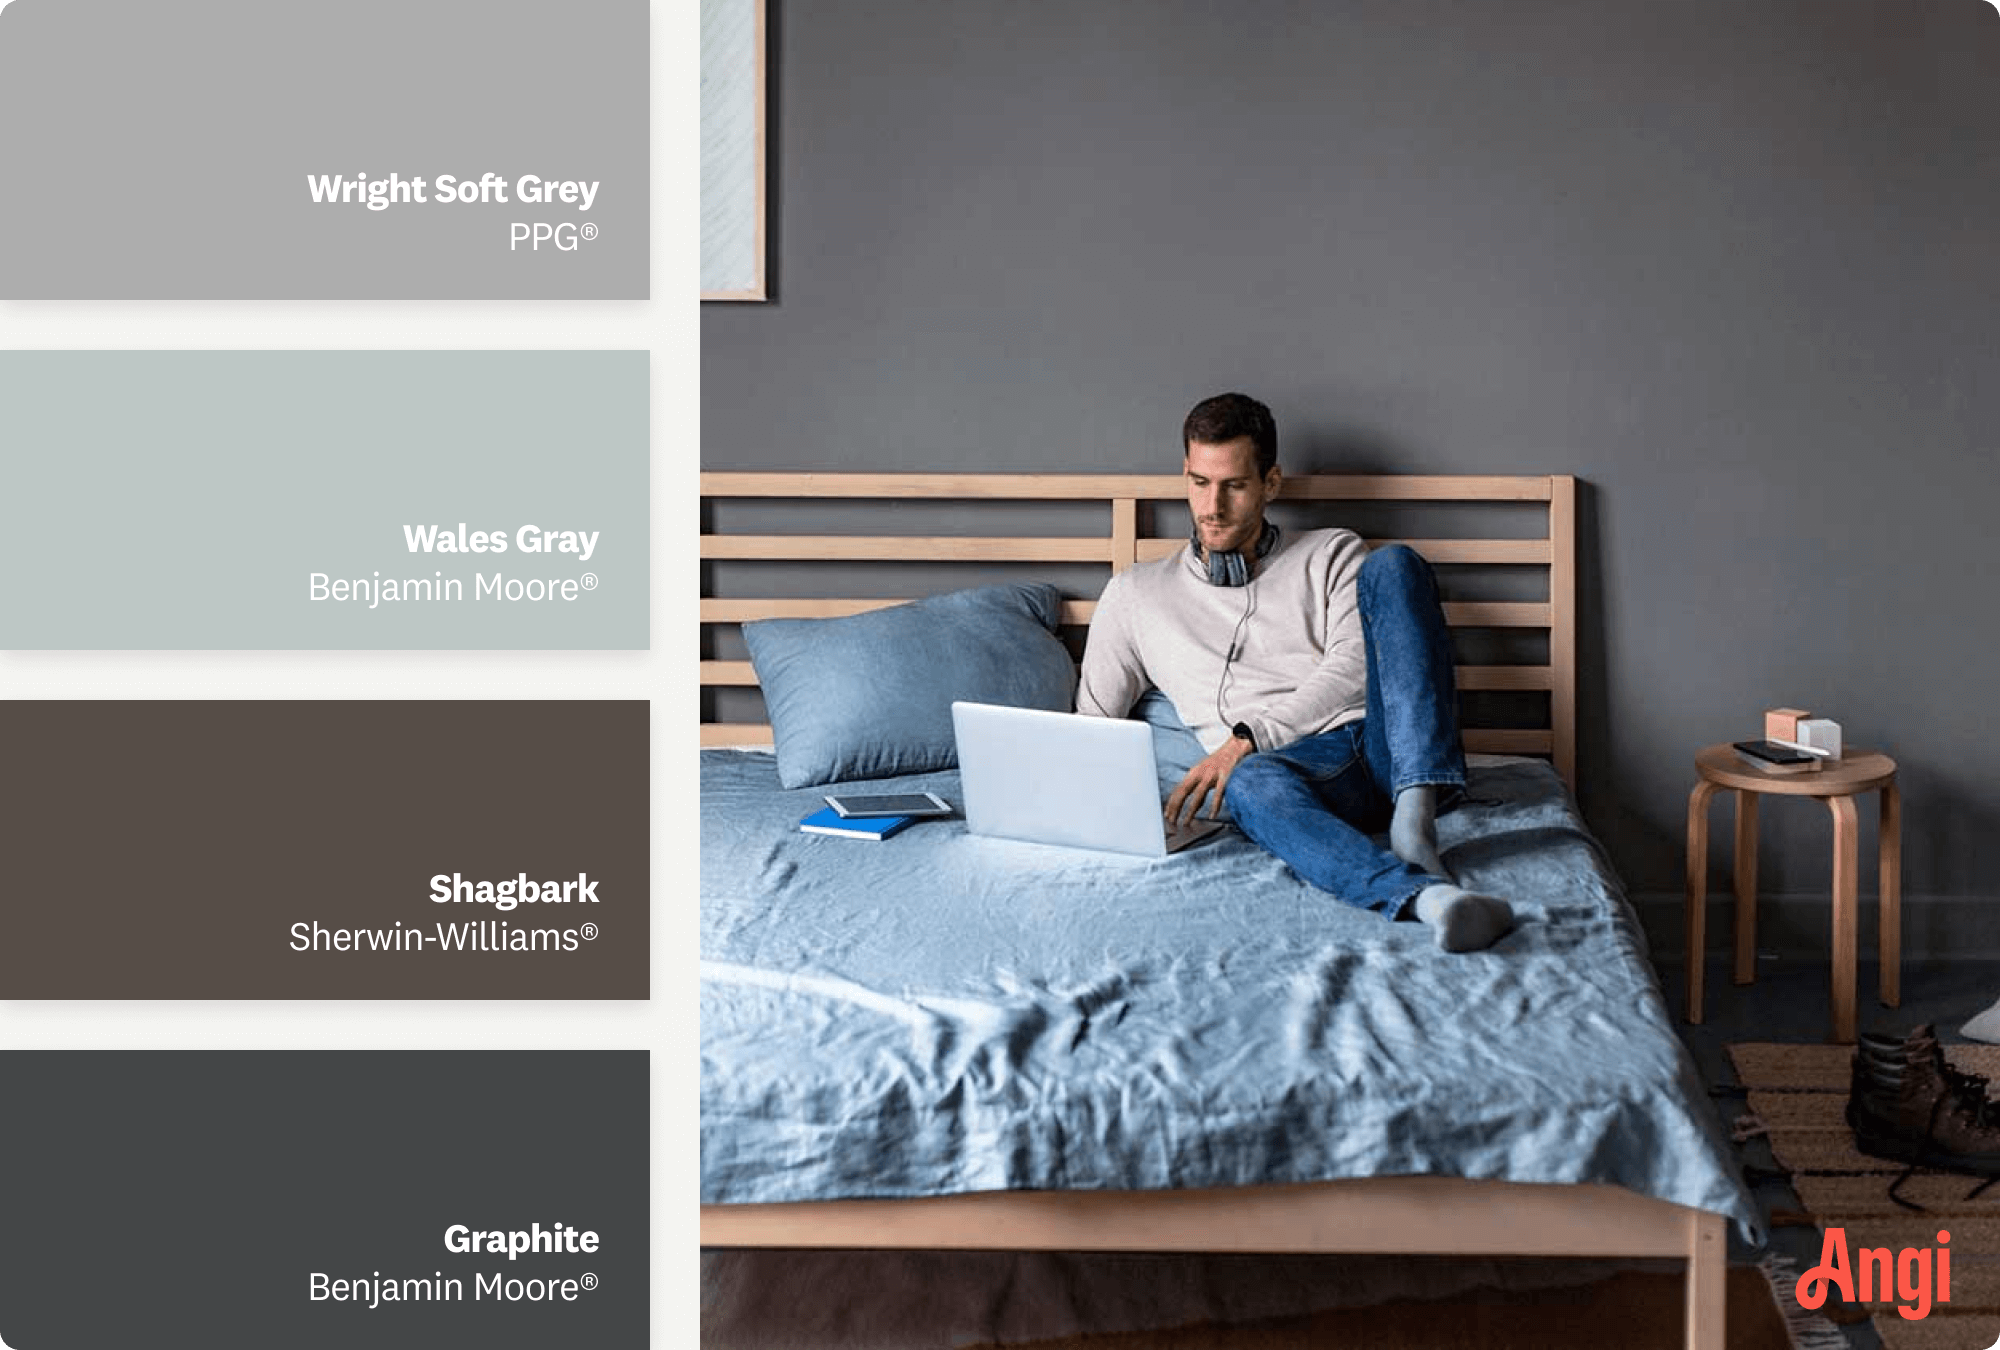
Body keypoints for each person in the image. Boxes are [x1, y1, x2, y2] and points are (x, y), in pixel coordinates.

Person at [1075, 392, 1514, 952]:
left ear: (1270, 483)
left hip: (1380, 750)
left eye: (1234, 485)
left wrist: (1245, 738)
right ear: (1184, 474)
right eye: (1200, 483)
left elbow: (1353, 670)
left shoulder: (1331, 554)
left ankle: (1415, 819)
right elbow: (1092, 728)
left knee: (1395, 565)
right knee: (1249, 783)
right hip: (1284, 779)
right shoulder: (1135, 594)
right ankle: (1431, 900)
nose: (1213, 506)